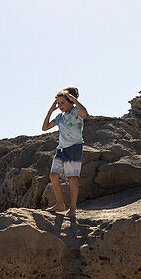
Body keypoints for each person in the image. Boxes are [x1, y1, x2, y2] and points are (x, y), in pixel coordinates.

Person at [41, 87, 89, 218]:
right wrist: (50, 111)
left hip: (74, 148)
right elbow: (44, 128)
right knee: (53, 176)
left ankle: (73, 209)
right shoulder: (59, 117)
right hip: (61, 149)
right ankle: (60, 204)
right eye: (58, 104)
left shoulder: (76, 112)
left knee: (72, 178)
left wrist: (74, 100)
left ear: (71, 101)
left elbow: (84, 112)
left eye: (63, 103)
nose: (60, 106)